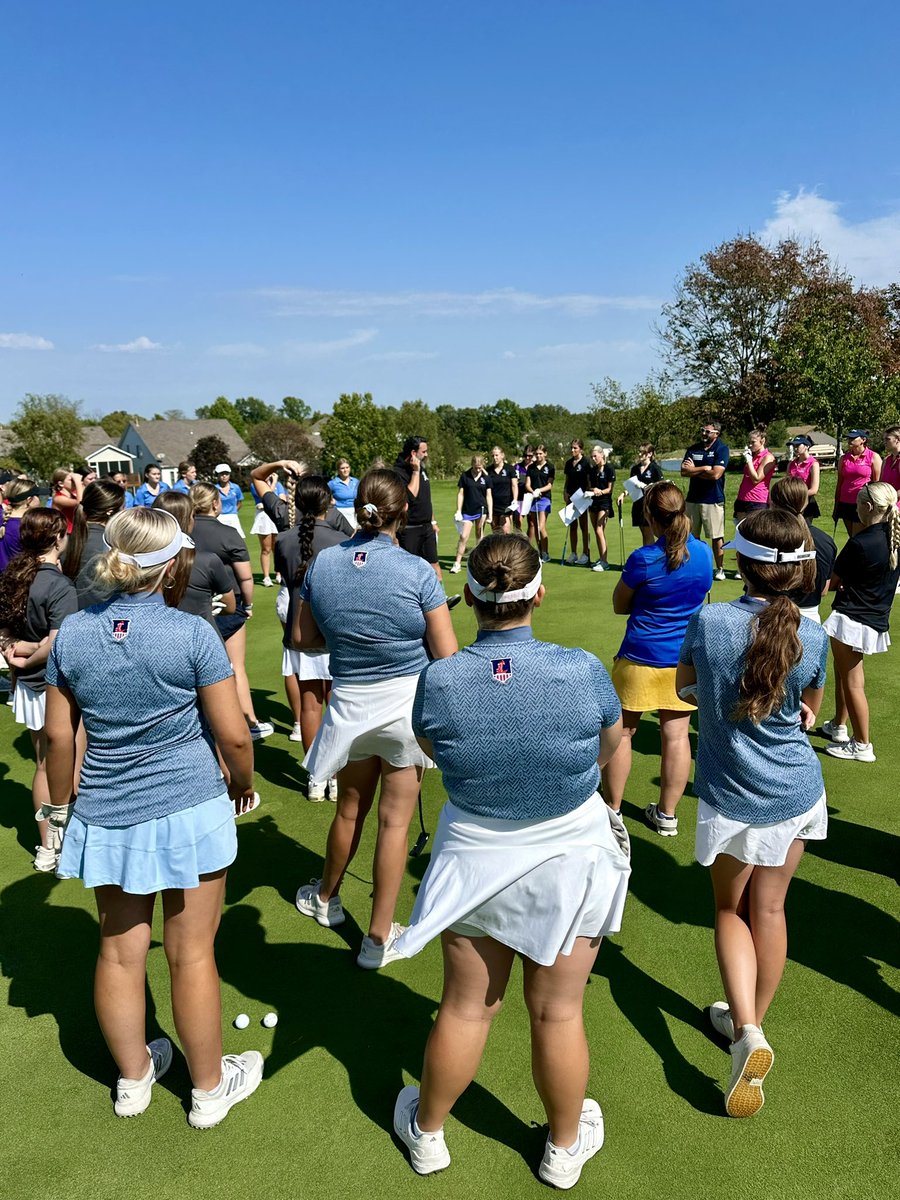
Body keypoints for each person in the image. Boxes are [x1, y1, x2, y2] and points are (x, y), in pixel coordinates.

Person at [390, 534, 628, 1188]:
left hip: (474, 853)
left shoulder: (438, 678)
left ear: (469, 596)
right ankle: (561, 1147)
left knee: (467, 1007)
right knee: (557, 1011)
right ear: (538, 594)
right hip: (570, 854)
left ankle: (430, 1134)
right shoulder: (581, 668)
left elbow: (428, 744)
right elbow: (608, 747)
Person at [43, 507, 262, 1126]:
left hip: (106, 810)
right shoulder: (191, 632)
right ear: (169, 565)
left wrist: (58, 813)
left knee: (119, 952)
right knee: (191, 955)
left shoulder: (75, 636)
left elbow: (60, 740)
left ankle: (135, 1078)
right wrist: (242, 785)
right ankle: (208, 1090)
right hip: (190, 805)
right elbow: (235, 737)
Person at [676, 508, 827, 1119]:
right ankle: (750, 1028)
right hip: (796, 791)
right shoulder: (811, 634)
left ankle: (746, 1031)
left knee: (729, 909)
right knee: (770, 909)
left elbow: (686, 684)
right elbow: (812, 704)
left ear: (739, 561)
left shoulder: (711, 621)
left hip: (733, 796)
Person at [293, 470, 458, 967]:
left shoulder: (324, 562)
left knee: (350, 810)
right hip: (405, 706)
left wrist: (346, 640)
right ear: (401, 513)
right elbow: (446, 655)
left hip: (351, 705)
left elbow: (303, 638)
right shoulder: (417, 572)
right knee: (394, 824)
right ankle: (377, 939)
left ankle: (325, 898)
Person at [602, 482, 713, 836]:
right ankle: (666, 814)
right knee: (676, 736)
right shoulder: (705, 554)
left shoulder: (644, 558)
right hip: (683, 660)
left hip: (640, 657)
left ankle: (612, 810)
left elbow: (620, 606)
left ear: (649, 515)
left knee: (624, 734)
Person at [0, 508, 77, 871]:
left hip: (30, 687)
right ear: (56, 537)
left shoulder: (14, 576)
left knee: (45, 765)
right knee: (64, 764)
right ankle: (58, 843)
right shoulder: (58, 584)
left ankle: (52, 844)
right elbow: (58, 644)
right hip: (55, 687)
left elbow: (7, 638)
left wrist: (22, 653)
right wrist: (31, 657)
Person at [820, 481, 900, 761]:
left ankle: (862, 744)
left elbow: (831, 583)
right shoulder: (893, 540)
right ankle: (839, 726)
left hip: (852, 619)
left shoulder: (860, 542)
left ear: (867, 507)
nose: (855, 508)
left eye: (857, 504)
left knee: (852, 682)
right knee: (844, 674)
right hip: (872, 617)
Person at [190, 484, 271, 740]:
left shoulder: (184, 531)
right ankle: (249, 722)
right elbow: (246, 578)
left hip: (191, 606)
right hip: (227, 605)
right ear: (215, 503)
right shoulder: (227, 533)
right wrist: (248, 606)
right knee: (235, 666)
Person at [280, 475, 346, 793]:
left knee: (310, 706)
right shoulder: (339, 540)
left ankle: (316, 778)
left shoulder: (283, 540)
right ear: (327, 502)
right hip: (334, 631)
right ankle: (334, 777)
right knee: (335, 705)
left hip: (300, 631)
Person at [153, 492, 236, 630]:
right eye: (192, 515)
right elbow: (230, 606)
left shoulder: (142, 561)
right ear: (187, 519)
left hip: (159, 636)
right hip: (201, 637)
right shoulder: (208, 560)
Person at [768, 477, 835, 621]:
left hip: (774, 618)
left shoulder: (768, 537)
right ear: (805, 503)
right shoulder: (827, 541)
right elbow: (823, 591)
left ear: (773, 502)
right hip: (811, 620)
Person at [681, 419, 730, 580]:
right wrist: (703, 468)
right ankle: (694, 566)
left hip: (713, 499)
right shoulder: (694, 449)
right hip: (693, 498)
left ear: (716, 433)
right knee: (691, 536)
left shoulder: (721, 449)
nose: (703, 433)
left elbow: (716, 474)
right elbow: (684, 471)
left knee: (716, 536)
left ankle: (720, 568)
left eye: (707, 431)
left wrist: (693, 470)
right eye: (702, 430)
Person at [65, 481, 127, 608]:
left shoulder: (72, 538)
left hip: (77, 612)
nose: (124, 510)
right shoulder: (108, 543)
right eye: (122, 506)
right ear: (110, 511)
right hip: (103, 614)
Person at [393, 436, 443, 579]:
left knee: (434, 565)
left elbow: (425, 498)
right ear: (414, 453)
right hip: (409, 529)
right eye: (424, 451)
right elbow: (410, 497)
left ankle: (441, 599)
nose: (426, 454)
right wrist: (415, 472)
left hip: (427, 527)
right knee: (410, 569)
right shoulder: (398, 472)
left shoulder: (422, 469)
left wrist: (433, 521)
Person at [449, 455, 492, 574]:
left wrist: (490, 514)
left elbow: (489, 496)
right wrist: (458, 510)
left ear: (482, 465)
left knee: (479, 534)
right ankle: (457, 563)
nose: (478, 469)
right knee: (463, 536)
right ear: (472, 464)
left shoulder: (486, 478)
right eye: (476, 467)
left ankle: (478, 562)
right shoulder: (465, 476)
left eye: (480, 467)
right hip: (467, 510)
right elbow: (461, 494)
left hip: (481, 509)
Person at [834, 430, 881, 537]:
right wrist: (836, 507)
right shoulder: (844, 458)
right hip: (845, 502)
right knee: (851, 536)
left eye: (853, 438)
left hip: (862, 502)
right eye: (848, 438)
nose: (849, 440)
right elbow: (839, 483)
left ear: (863, 440)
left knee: (857, 536)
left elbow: (877, 483)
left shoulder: (873, 456)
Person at [616, 443, 664, 548]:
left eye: (643, 452)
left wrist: (647, 486)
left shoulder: (655, 468)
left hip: (650, 505)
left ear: (649, 454)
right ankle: (648, 557)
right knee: (643, 532)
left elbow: (661, 486)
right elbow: (631, 486)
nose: (639, 454)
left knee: (648, 532)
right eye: (639, 451)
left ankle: (650, 559)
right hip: (638, 504)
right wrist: (623, 494)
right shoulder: (635, 469)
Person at [249, 472, 286, 587]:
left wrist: (275, 485)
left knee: (277, 548)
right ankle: (266, 577)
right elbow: (267, 497)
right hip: (264, 518)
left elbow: (282, 499)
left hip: (277, 515)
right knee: (266, 549)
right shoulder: (255, 484)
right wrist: (274, 483)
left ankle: (279, 574)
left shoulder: (279, 485)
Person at [0, 478, 41, 572]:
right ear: (29, 500)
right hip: (17, 581)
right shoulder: (27, 527)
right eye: (37, 496)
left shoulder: (3, 517)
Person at [734, 428, 776, 518]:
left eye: (753, 442)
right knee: (740, 530)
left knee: (755, 530)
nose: (750, 445)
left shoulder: (768, 457)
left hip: (757, 500)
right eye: (749, 442)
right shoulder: (753, 456)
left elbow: (756, 479)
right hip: (743, 497)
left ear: (762, 441)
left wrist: (749, 461)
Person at [586, 446, 615, 571]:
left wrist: (600, 491)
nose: (593, 459)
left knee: (599, 529)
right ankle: (601, 558)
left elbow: (610, 489)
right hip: (593, 502)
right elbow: (589, 486)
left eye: (595, 456)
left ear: (602, 455)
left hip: (605, 502)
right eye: (592, 456)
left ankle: (604, 562)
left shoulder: (609, 468)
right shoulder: (593, 470)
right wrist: (594, 490)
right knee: (598, 532)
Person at [563, 440, 592, 564]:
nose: (572, 450)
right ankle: (573, 553)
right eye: (571, 448)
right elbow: (567, 479)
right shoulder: (569, 463)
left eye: (575, 448)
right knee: (572, 526)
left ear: (580, 448)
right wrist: (565, 491)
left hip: (581, 497)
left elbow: (589, 480)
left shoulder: (586, 462)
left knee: (583, 526)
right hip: (570, 497)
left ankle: (586, 553)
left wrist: (587, 493)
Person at [525, 444, 555, 562]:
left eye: (540, 453)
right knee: (535, 526)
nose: (538, 456)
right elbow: (527, 484)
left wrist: (539, 491)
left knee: (541, 526)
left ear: (545, 454)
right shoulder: (531, 467)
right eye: (536, 454)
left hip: (545, 499)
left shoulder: (550, 467)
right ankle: (540, 552)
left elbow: (549, 485)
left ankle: (545, 552)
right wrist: (533, 492)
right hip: (533, 499)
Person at [785, 436, 821, 521]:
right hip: (791, 503)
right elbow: (787, 483)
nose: (795, 448)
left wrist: (797, 496)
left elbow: (814, 490)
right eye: (794, 446)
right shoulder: (791, 464)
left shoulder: (813, 464)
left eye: (798, 445)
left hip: (806, 502)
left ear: (807, 446)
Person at [486, 446, 518, 534]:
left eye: (497, 455)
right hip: (493, 504)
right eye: (493, 456)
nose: (495, 458)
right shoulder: (488, 470)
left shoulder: (509, 469)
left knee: (505, 531)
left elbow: (514, 485)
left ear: (502, 455)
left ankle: (506, 548)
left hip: (506, 504)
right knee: (496, 532)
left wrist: (515, 499)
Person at [328, 458, 360, 529]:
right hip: (341, 512)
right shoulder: (333, 483)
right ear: (338, 470)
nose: (345, 470)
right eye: (342, 468)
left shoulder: (356, 481)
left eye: (347, 467)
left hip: (355, 512)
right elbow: (324, 494)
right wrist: (330, 501)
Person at [214, 464, 244, 537]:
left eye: (226, 474)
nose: (224, 476)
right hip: (219, 516)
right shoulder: (213, 488)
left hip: (233, 517)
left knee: (238, 538)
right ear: (217, 475)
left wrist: (234, 511)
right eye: (221, 474)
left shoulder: (236, 487)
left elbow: (239, 502)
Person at [880, 425, 900, 503]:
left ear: (897, 440)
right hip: (886, 506)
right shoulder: (886, 460)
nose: (885, 442)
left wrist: (891, 498)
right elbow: (881, 483)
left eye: (887, 439)